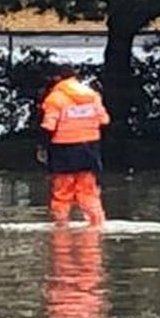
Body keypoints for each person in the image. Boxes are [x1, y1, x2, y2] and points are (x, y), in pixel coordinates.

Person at [39, 73, 110, 226]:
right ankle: (97, 224)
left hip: (63, 150)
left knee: (62, 192)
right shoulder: (92, 96)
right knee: (88, 190)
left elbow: (48, 126)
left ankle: (61, 225)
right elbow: (104, 120)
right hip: (90, 150)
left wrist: (41, 146)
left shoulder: (55, 98)